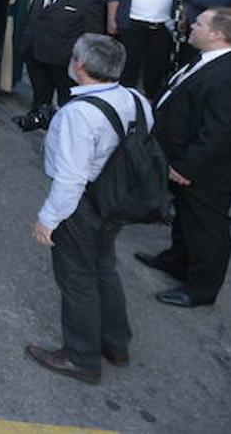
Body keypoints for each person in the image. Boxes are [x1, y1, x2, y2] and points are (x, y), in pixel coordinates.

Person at [26, 35, 151, 384]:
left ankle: (81, 357)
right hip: (119, 198)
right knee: (104, 268)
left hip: (84, 205)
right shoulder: (137, 99)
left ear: (79, 65)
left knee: (78, 279)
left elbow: (71, 179)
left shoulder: (78, 114)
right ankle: (116, 342)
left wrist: (47, 220)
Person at [135, 8, 231, 307]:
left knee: (207, 227)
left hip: (208, 170)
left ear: (217, 34)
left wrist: (187, 166)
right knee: (185, 215)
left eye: (199, 23)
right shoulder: (210, 57)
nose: (192, 25)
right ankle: (177, 260)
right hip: (184, 157)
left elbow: (222, 132)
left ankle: (201, 288)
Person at [18, 0, 105, 131]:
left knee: (66, 97)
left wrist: (81, 59)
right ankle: (36, 119)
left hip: (63, 59)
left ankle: (64, 129)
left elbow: (92, 34)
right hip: (35, 51)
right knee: (40, 91)